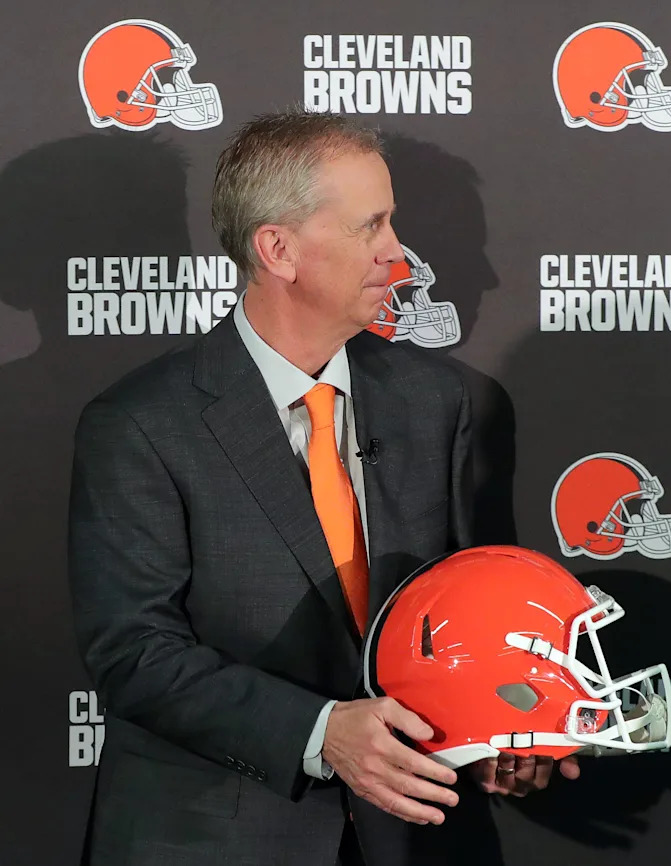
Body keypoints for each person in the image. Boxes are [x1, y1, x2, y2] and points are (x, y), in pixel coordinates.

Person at [68, 109, 577, 866]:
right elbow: (134, 654)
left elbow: (467, 612)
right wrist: (320, 734)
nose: (397, 254)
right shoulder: (139, 424)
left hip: (412, 836)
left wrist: (502, 729)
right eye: (369, 227)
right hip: (212, 839)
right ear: (278, 249)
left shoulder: (439, 403)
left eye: (391, 224)